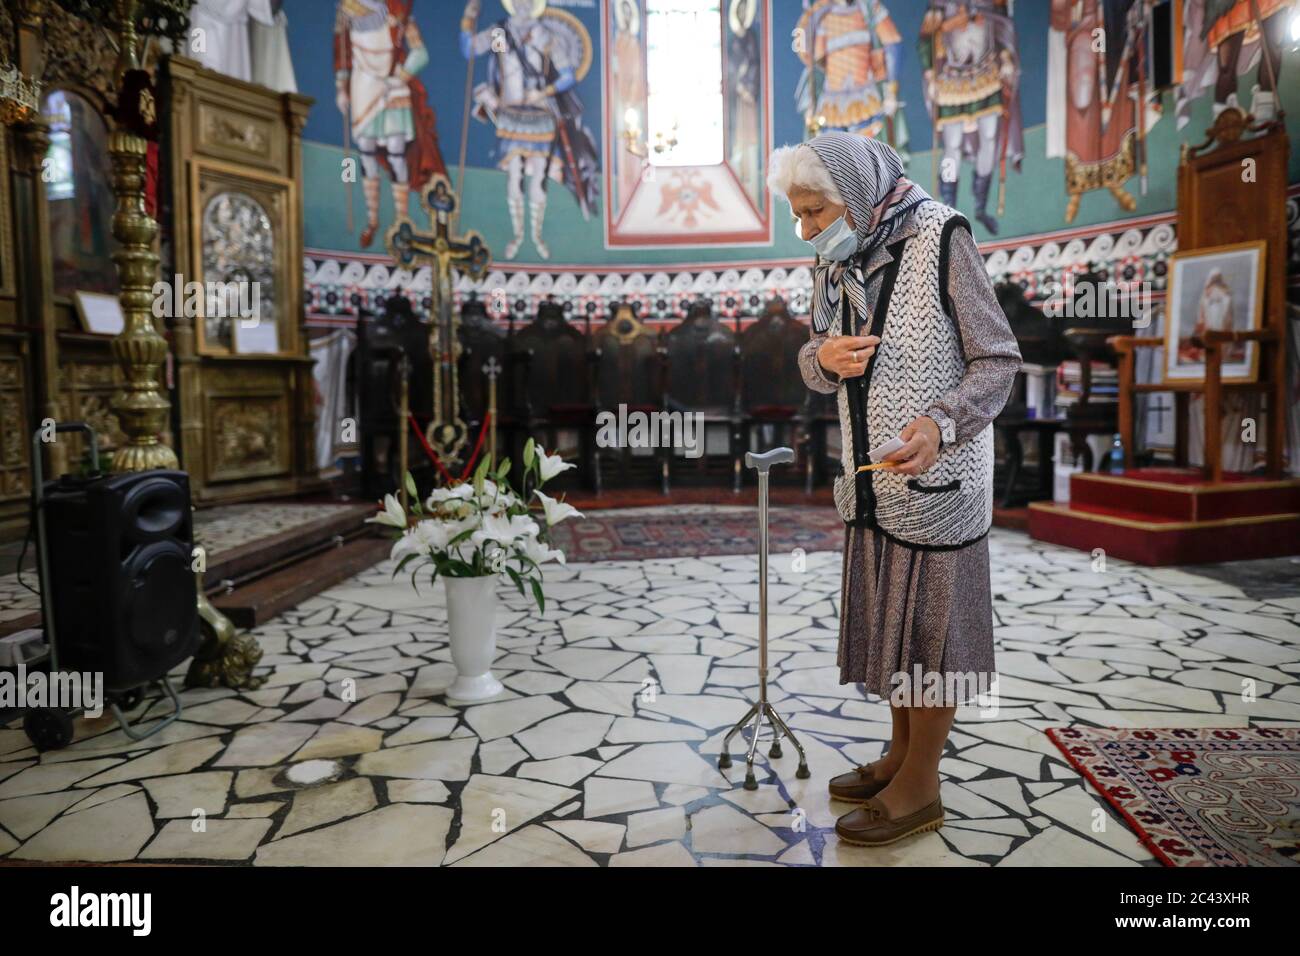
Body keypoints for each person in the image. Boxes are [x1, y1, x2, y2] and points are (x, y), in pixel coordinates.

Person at [768, 131, 1020, 847]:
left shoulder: (942, 235)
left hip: (939, 478)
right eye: (799, 214)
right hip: (876, 482)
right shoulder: (838, 261)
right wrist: (821, 355)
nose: (808, 228)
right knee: (899, 629)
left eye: (816, 211)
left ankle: (923, 784)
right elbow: (811, 362)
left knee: (933, 636)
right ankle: (901, 755)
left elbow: (996, 359)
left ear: (857, 195)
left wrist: (943, 424)